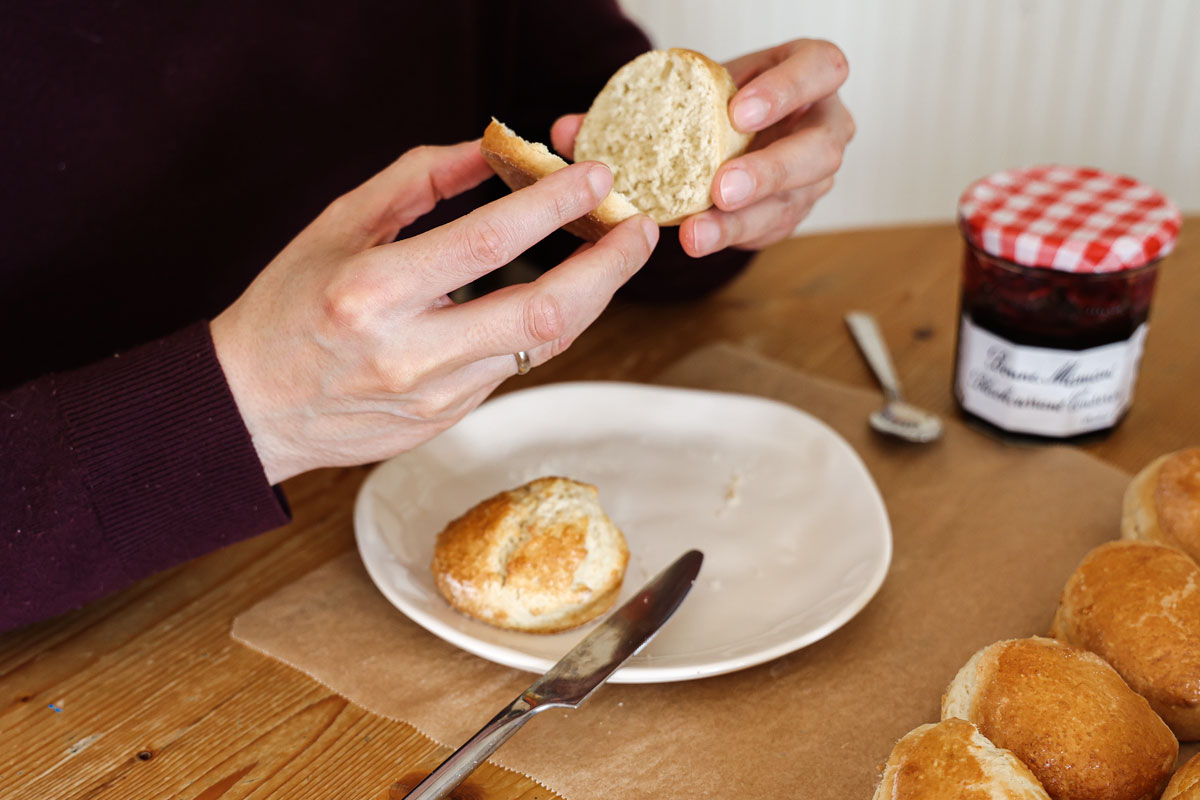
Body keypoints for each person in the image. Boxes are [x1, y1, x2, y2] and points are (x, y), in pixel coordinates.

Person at [0, 1, 854, 632]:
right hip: (101, 632)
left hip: (427, 470)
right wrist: (234, 408)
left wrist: (734, 174)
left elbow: (571, 136)